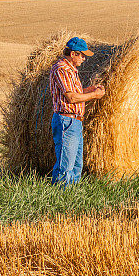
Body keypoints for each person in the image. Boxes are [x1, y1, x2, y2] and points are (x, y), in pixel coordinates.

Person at [49, 37, 105, 186]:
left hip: (75, 122)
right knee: (65, 165)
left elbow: (76, 92)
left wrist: (90, 90)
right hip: (67, 121)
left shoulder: (71, 71)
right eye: (82, 55)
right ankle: (60, 197)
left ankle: (71, 196)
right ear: (73, 54)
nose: (84, 58)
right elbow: (71, 97)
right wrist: (94, 95)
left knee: (76, 165)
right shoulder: (62, 69)